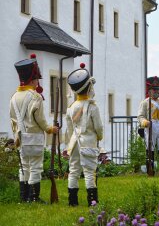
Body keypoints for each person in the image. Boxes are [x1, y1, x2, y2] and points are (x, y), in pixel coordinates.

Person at [10, 53, 59, 203]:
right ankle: (34, 197)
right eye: (37, 79)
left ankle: (24, 197)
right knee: (35, 167)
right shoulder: (35, 97)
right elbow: (41, 120)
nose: (38, 82)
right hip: (35, 138)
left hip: (21, 139)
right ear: (33, 79)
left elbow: (13, 121)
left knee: (24, 167)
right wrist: (51, 129)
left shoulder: (13, 97)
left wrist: (17, 136)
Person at [65, 63, 103, 206]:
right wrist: (99, 137)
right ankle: (92, 202)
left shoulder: (71, 107)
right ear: (88, 88)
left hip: (75, 142)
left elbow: (69, 129)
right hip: (89, 141)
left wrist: (71, 142)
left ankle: (72, 201)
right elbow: (98, 127)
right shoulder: (93, 106)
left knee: (73, 170)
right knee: (89, 172)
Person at [138, 76, 159, 177]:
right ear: (149, 91)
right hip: (150, 125)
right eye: (154, 90)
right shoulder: (145, 102)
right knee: (150, 148)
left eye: (157, 90)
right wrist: (145, 122)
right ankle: (151, 171)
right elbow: (140, 116)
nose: (156, 92)